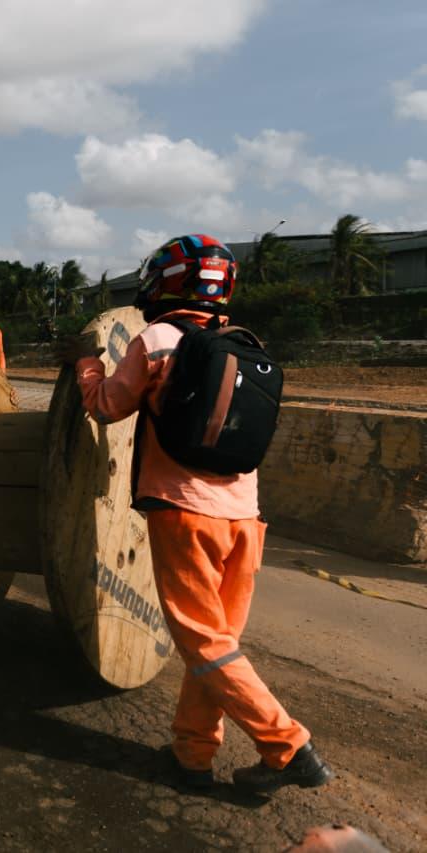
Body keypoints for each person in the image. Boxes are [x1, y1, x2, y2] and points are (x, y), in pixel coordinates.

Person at [57, 234, 333, 794]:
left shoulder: (156, 337)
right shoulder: (247, 341)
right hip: (247, 518)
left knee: (203, 643)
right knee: (218, 643)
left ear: (164, 282)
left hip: (185, 513)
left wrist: (87, 364)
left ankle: (287, 746)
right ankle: (193, 754)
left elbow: (108, 407)